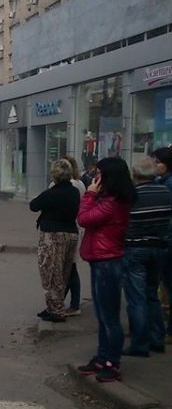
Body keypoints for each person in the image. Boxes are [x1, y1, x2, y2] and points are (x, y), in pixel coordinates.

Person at [76, 156, 136, 383]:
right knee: (102, 316)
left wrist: (90, 194)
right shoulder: (111, 199)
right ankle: (102, 358)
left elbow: (84, 219)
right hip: (101, 259)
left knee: (109, 317)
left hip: (107, 262)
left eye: (99, 174)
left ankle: (112, 362)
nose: (95, 177)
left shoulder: (112, 203)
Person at [121, 156, 171, 358]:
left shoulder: (132, 195)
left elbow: (123, 221)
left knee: (136, 297)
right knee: (152, 294)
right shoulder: (165, 192)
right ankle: (157, 339)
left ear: (135, 174)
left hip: (135, 248)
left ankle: (140, 344)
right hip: (158, 248)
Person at [29, 159, 81, 322]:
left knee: (51, 272)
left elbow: (34, 205)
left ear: (54, 175)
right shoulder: (74, 192)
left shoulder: (51, 193)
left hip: (53, 235)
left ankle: (56, 310)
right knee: (64, 272)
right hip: (71, 233)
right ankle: (54, 307)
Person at [61, 155, 87, 316]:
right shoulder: (80, 184)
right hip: (77, 227)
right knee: (70, 267)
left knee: (68, 268)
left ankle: (70, 304)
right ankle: (70, 302)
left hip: (65, 230)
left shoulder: (64, 185)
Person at [152, 146, 172, 344]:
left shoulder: (168, 184)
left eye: (157, 162)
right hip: (163, 238)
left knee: (168, 284)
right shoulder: (161, 182)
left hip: (167, 239)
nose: (155, 165)